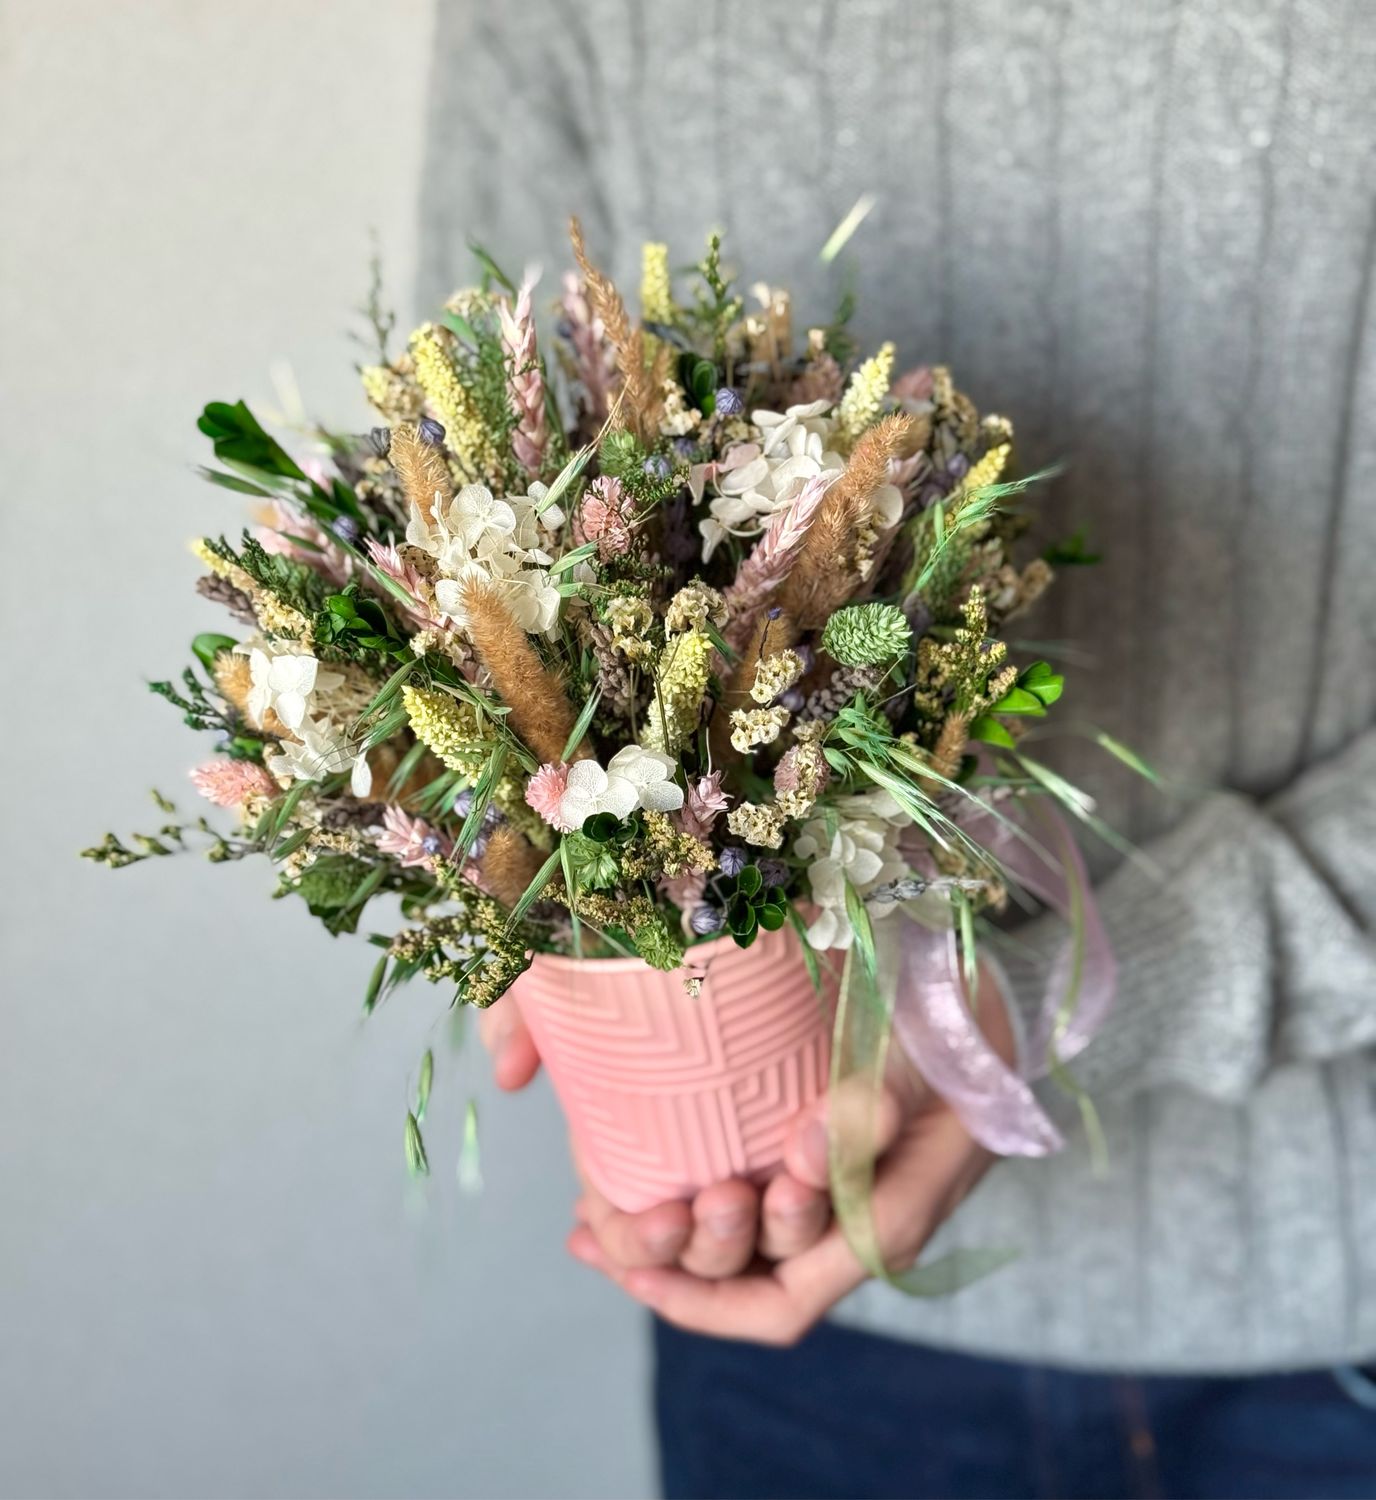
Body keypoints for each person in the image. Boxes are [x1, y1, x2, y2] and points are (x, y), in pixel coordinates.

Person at [419, 3, 1376, 1495]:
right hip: (801, 1320)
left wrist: (1027, 1014)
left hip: (1325, 1326)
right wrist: (559, 922)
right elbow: (466, 504)